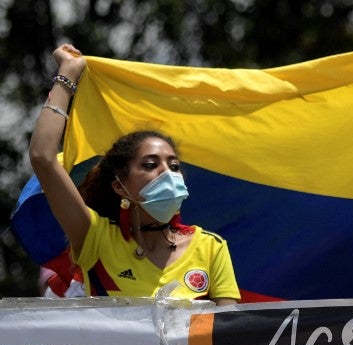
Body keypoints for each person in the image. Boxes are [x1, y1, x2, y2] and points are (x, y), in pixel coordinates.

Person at [28, 44, 240, 305]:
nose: (167, 172)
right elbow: (42, 157)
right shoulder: (95, 237)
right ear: (120, 186)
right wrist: (67, 75)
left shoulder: (211, 248)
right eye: (151, 164)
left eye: (173, 166)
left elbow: (227, 339)